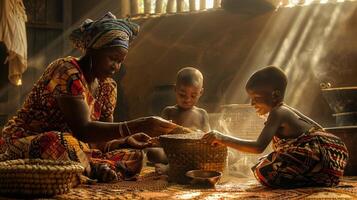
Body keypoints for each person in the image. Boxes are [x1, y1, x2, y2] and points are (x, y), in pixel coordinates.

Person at [0, 12, 178, 183]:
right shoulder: (67, 70)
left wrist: (124, 141)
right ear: (93, 51)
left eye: (120, 61)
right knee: (58, 141)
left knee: (136, 156)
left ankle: (89, 169)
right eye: (112, 58)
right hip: (29, 142)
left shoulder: (108, 88)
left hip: (78, 149)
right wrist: (139, 124)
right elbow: (83, 130)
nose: (116, 66)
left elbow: (100, 143)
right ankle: (94, 169)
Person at [203, 66, 349, 188]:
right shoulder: (285, 109)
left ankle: (315, 177)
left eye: (256, 98)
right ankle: (317, 176)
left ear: (275, 95)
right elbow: (317, 127)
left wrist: (221, 138)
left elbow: (257, 147)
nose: (252, 104)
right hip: (333, 157)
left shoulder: (277, 112)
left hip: (323, 158)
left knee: (263, 171)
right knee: (264, 162)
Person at [146, 67, 210, 173]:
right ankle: (173, 166)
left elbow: (208, 135)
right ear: (175, 89)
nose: (187, 99)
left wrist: (198, 135)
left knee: (207, 154)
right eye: (182, 95)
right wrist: (157, 140)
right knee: (153, 153)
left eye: (193, 96)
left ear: (201, 92)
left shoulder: (202, 113)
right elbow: (160, 135)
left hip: (193, 152)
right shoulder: (169, 111)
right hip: (173, 152)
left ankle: (171, 169)